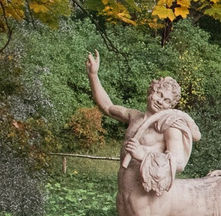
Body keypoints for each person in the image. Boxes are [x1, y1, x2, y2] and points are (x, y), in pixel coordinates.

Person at [86, 54, 202, 197]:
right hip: (124, 187)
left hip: (147, 193)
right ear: (151, 91)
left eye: (167, 101)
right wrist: (93, 75)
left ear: (171, 106)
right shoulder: (134, 116)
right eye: (159, 95)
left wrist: (142, 155)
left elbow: (178, 163)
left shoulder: (168, 126)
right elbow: (108, 107)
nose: (161, 101)